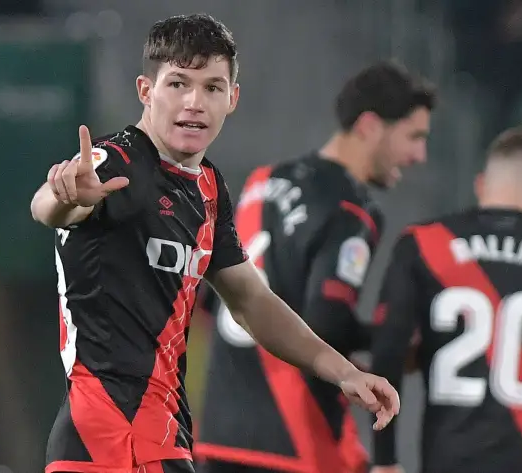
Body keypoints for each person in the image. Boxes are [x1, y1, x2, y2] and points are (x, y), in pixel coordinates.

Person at [29, 14, 400, 473]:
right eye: (179, 84)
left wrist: (344, 371)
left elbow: (251, 300)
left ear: (233, 98)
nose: (194, 103)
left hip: (165, 440)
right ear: (146, 91)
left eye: (212, 88)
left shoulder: (207, 187)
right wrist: (64, 196)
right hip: (106, 443)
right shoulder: (117, 160)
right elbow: (49, 207)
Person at [193, 60, 434, 473]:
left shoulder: (261, 182)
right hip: (295, 440)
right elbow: (328, 322)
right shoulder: (350, 210)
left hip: (220, 434)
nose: (419, 155)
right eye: (413, 137)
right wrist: (394, 339)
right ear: (370, 126)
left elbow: (211, 298)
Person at [370, 127, 522, 473]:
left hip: (450, 457)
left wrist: (385, 459)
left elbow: (387, 350)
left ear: (480, 185)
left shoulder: (422, 244)